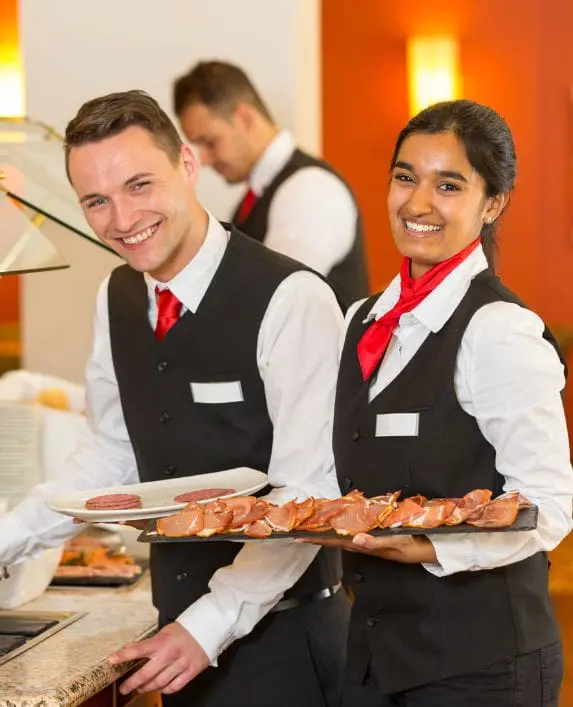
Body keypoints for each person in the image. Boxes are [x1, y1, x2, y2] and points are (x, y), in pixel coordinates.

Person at [0, 90, 349, 707]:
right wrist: (8, 539)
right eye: (96, 202)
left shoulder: (292, 297)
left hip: (284, 647)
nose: (122, 218)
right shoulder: (117, 298)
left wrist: (206, 625)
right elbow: (110, 455)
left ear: (187, 165)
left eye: (140, 185)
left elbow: (310, 493)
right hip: (177, 637)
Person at [301, 99, 573, 706]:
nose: (417, 203)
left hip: (482, 670)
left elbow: (551, 506)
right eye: (405, 177)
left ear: (492, 203)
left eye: (447, 185)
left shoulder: (499, 330)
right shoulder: (359, 320)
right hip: (372, 660)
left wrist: (428, 547)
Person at [173, 60, 369, 308]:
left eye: (210, 142)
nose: (205, 160)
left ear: (245, 118)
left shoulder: (309, 190)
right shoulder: (254, 199)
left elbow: (278, 300)